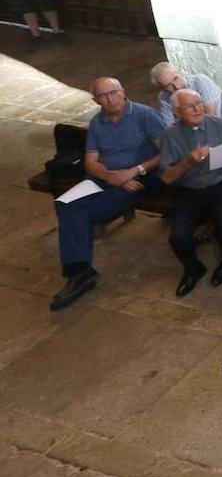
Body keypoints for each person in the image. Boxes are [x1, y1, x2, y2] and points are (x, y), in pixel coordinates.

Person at [49, 77, 166, 311]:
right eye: (102, 96)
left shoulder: (144, 115)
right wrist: (112, 177)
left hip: (142, 177)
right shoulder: (97, 123)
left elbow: (167, 152)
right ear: (95, 100)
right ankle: (81, 272)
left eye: (113, 92)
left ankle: (79, 273)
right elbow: (90, 162)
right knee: (65, 204)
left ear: (123, 92)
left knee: (87, 211)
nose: (109, 99)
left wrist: (133, 172)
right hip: (106, 178)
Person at [160, 89, 222, 297]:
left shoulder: (219, 124)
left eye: (199, 103)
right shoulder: (171, 134)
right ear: (177, 112)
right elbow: (167, 177)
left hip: (221, 187)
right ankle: (193, 268)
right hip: (188, 192)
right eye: (189, 106)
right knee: (178, 237)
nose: (197, 109)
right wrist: (188, 162)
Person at [151, 61, 222, 124]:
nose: (176, 86)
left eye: (176, 78)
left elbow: (212, 118)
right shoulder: (164, 97)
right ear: (163, 89)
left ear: (181, 72)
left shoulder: (200, 82)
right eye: (168, 85)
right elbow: (169, 125)